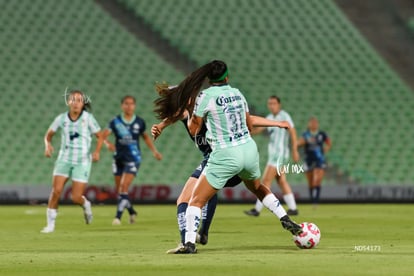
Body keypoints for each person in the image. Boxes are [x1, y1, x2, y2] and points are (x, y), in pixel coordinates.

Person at [153, 60, 302, 254]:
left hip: (223, 156)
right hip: (248, 151)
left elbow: (193, 127)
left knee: (193, 201)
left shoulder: (204, 99)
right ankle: (285, 218)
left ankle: (189, 244)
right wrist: (277, 123)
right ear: (227, 77)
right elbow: (249, 124)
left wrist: (193, 119)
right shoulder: (237, 94)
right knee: (257, 188)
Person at [42, 89, 103, 233]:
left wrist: (97, 152)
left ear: (83, 104)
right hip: (64, 159)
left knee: (75, 197)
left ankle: (85, 204)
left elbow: (100, 136)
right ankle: (50, 225)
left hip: (81, 161)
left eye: (79, 100)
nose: (76, 103)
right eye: (73, 100)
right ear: (68, 102)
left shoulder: (88, 118)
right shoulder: (61, 119)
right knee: (56, 191)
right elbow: (48, 135)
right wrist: (48, 145)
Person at [102, 95, 162, 225]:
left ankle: (117, 217)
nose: (129, 106)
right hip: (118, 158)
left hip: (133, 159)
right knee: (121, 191)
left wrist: (154, 151)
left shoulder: (139, 122)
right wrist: (107, 144)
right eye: (126, 104)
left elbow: (145, 137)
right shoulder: (115, 121)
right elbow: (103, 135)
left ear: (134, 106)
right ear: (122, 106)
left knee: (124, 187)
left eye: (131, 104)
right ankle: (132, 211)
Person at [244, 95, 300, 217]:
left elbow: (293, 132)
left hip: (279, 155)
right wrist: (249, 132)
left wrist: (295, 150)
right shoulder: (270, 117)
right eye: (270, 103)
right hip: (275, 154)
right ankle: (293, 208)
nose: (271, 106)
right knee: (281, 181)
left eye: (274, 103)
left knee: (265, 181)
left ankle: (257, 210)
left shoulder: (284, 116)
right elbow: (261, 130)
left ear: (279, 104)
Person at [297, 116, 331, 204]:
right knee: (311, 181)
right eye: (312, 123)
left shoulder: (322, 134)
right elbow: (300, 142)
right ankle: (312, 199)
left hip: (319, 159)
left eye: (315, 122)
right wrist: (298, 143)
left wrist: (325, 149)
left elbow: (328, 142)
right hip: (308, 160)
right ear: (309, 124)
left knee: (317, 179)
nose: (314, 124)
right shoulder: (306, 134)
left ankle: (316, 201)